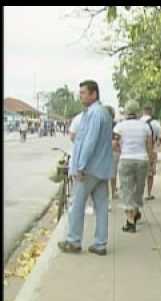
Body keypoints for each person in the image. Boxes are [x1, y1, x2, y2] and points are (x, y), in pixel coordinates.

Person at [58, 80, 113, 256]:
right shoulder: (101, 112)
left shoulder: (95, 113)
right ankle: (100, 244)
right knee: (102, 206)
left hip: (89, 168)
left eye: (83, 92)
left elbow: (89, 141)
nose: (80, 95)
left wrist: (81, 165)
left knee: (76, 204)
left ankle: (73, 241)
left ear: (93, 94)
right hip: (101, 168)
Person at [114, 100, 153, 233]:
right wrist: (151, 161)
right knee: (138, 189)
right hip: (142, 159)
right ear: (138, 112)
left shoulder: (120, 126)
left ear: (125, 111)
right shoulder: (145, 126)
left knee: (126, 189)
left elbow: (114, 143)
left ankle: (130, 222)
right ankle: (135, 212)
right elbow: (149, 145)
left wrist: (121, 150)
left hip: (126, 159)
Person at [69, 112, 95, 216]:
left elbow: (72, 136)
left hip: (79, 152)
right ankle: (88, 205)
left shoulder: (77, 118)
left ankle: (76, 204)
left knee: (77, 179)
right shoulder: (97, 118)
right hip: (92, 153)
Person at [141, 106, 161, 200]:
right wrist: (156, 146)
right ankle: (148, 193)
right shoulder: (155, 123)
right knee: (150, 173)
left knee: (139, 173)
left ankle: (139, 193)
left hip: (139, 150)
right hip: (151, 150)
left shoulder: (138, 121)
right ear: (151, 111)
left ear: (143, 111)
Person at [105, 105, 120, 201]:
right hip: (113, 150)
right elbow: (117, 139)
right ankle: (113, 192)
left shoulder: (104, 124)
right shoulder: (116, 125)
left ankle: (110, 192)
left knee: (109, 173)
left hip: (108, 151)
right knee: (113, 173)